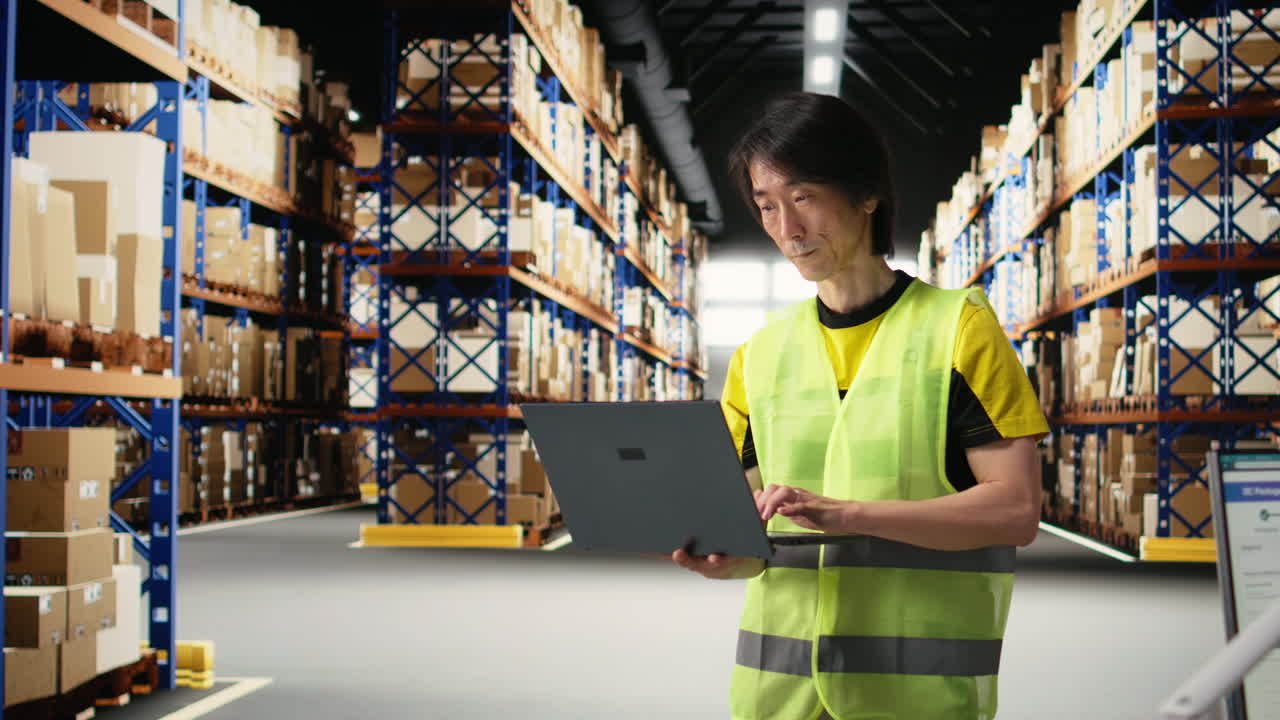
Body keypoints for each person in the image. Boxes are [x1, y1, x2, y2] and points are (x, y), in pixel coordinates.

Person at [671, 91, 1049, 720]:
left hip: (914, 697)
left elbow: (1015, 510)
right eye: (767, 206)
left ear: (867, 194)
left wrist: (850, 516)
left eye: (804, 198)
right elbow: (748, 535)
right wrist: (715, 555)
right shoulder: (759, 355)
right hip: (779, 696)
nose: (786, 231)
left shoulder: (959, 330)